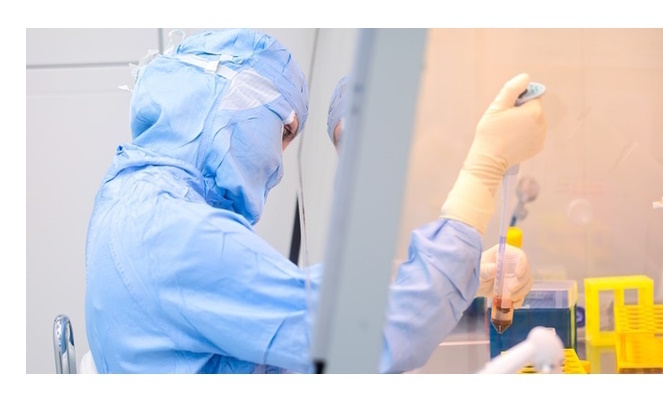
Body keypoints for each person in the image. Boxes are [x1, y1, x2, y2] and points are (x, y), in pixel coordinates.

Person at [85, 28, 548, 374]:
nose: (278, 164)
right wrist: (484, 170)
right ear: (228, 93)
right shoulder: (169, 230)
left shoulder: (138, 202)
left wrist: (470, 274)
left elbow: (291, 316)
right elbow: (373, 335)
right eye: (285, 130)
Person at [326, 76, 536, 306]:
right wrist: (454, 277)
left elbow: (391, 281)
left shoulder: (418, 178)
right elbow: (363, 291)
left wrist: (470, 275)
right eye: (345, 140)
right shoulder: (353, 202)